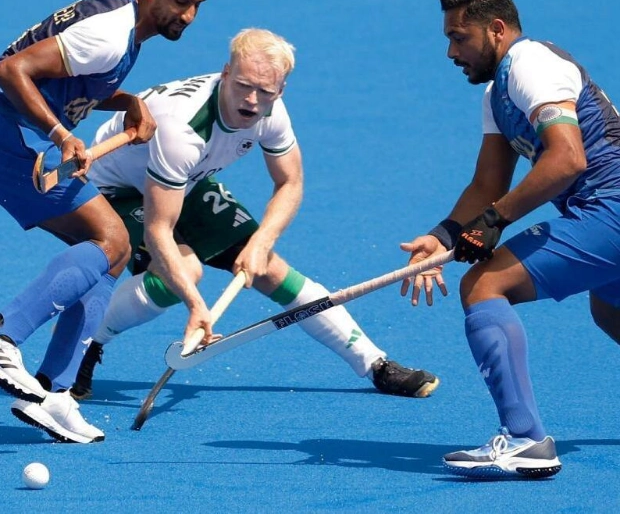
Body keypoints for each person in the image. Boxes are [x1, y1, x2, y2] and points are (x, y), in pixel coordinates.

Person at [68, 28, 439, 404]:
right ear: (225, 72)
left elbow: (290, 182)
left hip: (189, 181)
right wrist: (197, 305)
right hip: (114, 191)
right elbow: (159, 227)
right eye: (243, 85)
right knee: (181, 275)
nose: (251, 100)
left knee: (270, 269)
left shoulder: (271, 112)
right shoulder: (182, 129)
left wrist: (261, 243)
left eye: (264, 91)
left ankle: (374, 364)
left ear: (280, 90)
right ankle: (87, 342)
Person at [400, 0, 620, 479]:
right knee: (612, 314)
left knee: (484, 283)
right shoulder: (497, 94)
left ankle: (525, 440)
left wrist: (495, 222)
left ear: (496, 29)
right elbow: (487, 183)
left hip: (610, 210)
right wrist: (443, 236)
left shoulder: (531, 67)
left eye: (460, 38)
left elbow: (567, 161)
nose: (452, 53)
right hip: (604, 215)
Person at [0, 0, 215, 444]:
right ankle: (7, 335)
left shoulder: (121, 21)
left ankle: (55, 394)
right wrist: (61, 135)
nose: (189, 14)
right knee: (113, 241)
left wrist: (129, 101)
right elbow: (11, 70)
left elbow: (72, 80)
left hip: (16, 135)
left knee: (111, 249)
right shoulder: (108, 33)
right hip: (12, 138)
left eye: (197, 4)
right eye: (181, 1)